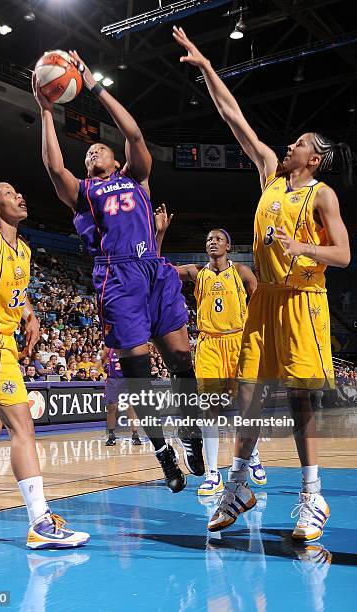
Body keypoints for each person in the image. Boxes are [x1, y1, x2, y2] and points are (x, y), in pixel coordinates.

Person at [173, 26, 351, 540]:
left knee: (300, 401)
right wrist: (208, 67)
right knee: (248, 398)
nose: (288, 145)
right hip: (265, 305)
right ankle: (238, 487)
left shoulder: (323, 196)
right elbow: (235, 118)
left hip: (302, 301)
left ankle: (312, 497)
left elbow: (342, 254)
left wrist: (302, 249)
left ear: (313, 158)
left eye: (298, 143)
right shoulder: (270, 173)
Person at [33, 51, 204, 493]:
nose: (92, 150)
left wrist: (94, 85)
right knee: (138, 372)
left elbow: (133, 132)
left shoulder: (137, 177)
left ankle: (191, 432)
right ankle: (164, 451)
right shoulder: (84, 192)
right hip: (116, 277)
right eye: (87, 151)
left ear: (113, 158)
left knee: (182, 359)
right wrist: (45, 111)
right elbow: (55, 167)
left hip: (153, 268)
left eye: (99, 147)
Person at [0, 182, 89, 548]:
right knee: (23, 427)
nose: (20, 196)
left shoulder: (21, 251)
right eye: (9, 194)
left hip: (0, 345)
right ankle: (40, 523)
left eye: (19, 192)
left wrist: (30, 314)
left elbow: (16, 293)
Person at [156, 205, 266, 496]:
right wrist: (160, 233)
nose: (212, 242)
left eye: (218, 238)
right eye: (209, 239)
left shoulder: (242, 272)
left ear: (228, 246)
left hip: (239, 341)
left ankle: (251, 454)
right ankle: (214, 473)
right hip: (209, 344)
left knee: (247, 407)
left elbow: (261, 307)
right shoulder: (197, 273)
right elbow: (158, 268)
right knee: (209, 411)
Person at [102, 347, 142, 446]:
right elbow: (102, 359)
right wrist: (99, 366)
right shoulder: (109, 347)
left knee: (130, 407)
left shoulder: (129, 346)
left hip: (127, 379)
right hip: (113, 380)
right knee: (112, 407)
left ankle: (135, 434)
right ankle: (111, 435)